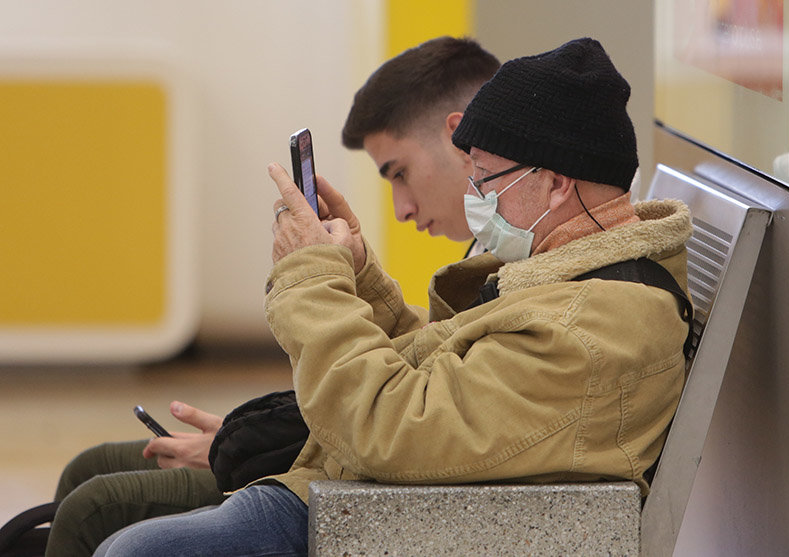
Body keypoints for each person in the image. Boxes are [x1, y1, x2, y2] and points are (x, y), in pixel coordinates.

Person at [95, 37, 693, 556]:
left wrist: (310, 276)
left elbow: (387, 425)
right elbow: (450, 388)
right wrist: (357, 274)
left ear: (558, 184)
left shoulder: (591, 327)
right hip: (381, 497)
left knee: (129, 543)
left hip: (396, 517)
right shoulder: (576, 283)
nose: (475, 197)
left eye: (486, 179)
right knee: (106, 509)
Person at [41, 36, 500, 557]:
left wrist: (310, 276)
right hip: (348, 459)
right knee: (92, 479)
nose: (400, 208)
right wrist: (358, 274)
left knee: (104, 514)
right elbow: (423, 372)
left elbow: (411, 421)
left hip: (369, 483)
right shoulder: (491, 251)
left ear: (460, 136)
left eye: (399, 173)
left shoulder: (542, 271)